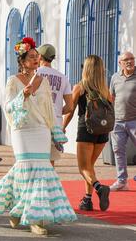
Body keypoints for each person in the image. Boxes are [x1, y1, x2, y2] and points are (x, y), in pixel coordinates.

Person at [0, 38, 76, 235]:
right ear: (23, 61)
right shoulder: (13, 81)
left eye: (37, 57)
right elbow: (8, 107)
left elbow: (49, 108)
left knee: (42, 171)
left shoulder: (42, 81)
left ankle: (33, 218)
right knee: (25, 170)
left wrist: (55, 130)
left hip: (41, 129)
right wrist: (23, 96)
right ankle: (20, 211)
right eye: (32, 57)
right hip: (22, 130)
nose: (36, 60)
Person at [64, 55, 113, 211]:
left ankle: (99, 188)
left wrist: (62, 126)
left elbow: (70, 109)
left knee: (83, 168)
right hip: (103, 132)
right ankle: (87, 200)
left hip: (86, 130)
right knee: (90, 166)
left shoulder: (80, 87)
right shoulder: (105, 89)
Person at [37, 44, 73, 166]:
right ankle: (50, 184)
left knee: (36, 159)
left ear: (40, 56)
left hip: (37, 120)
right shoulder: (63, 77)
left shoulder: (35, 73)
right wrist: (57, 111)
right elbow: (70, 106)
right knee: (50, 160)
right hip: (55, 123)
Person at [109, 52, 136, 191]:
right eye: (126, 59)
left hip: (134, 120)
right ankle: (121, 181)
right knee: (118, 150)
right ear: (120, 63)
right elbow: (112, 96)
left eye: (132, 59)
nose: (130, 61)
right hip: (117, 121)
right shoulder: (115, 77)